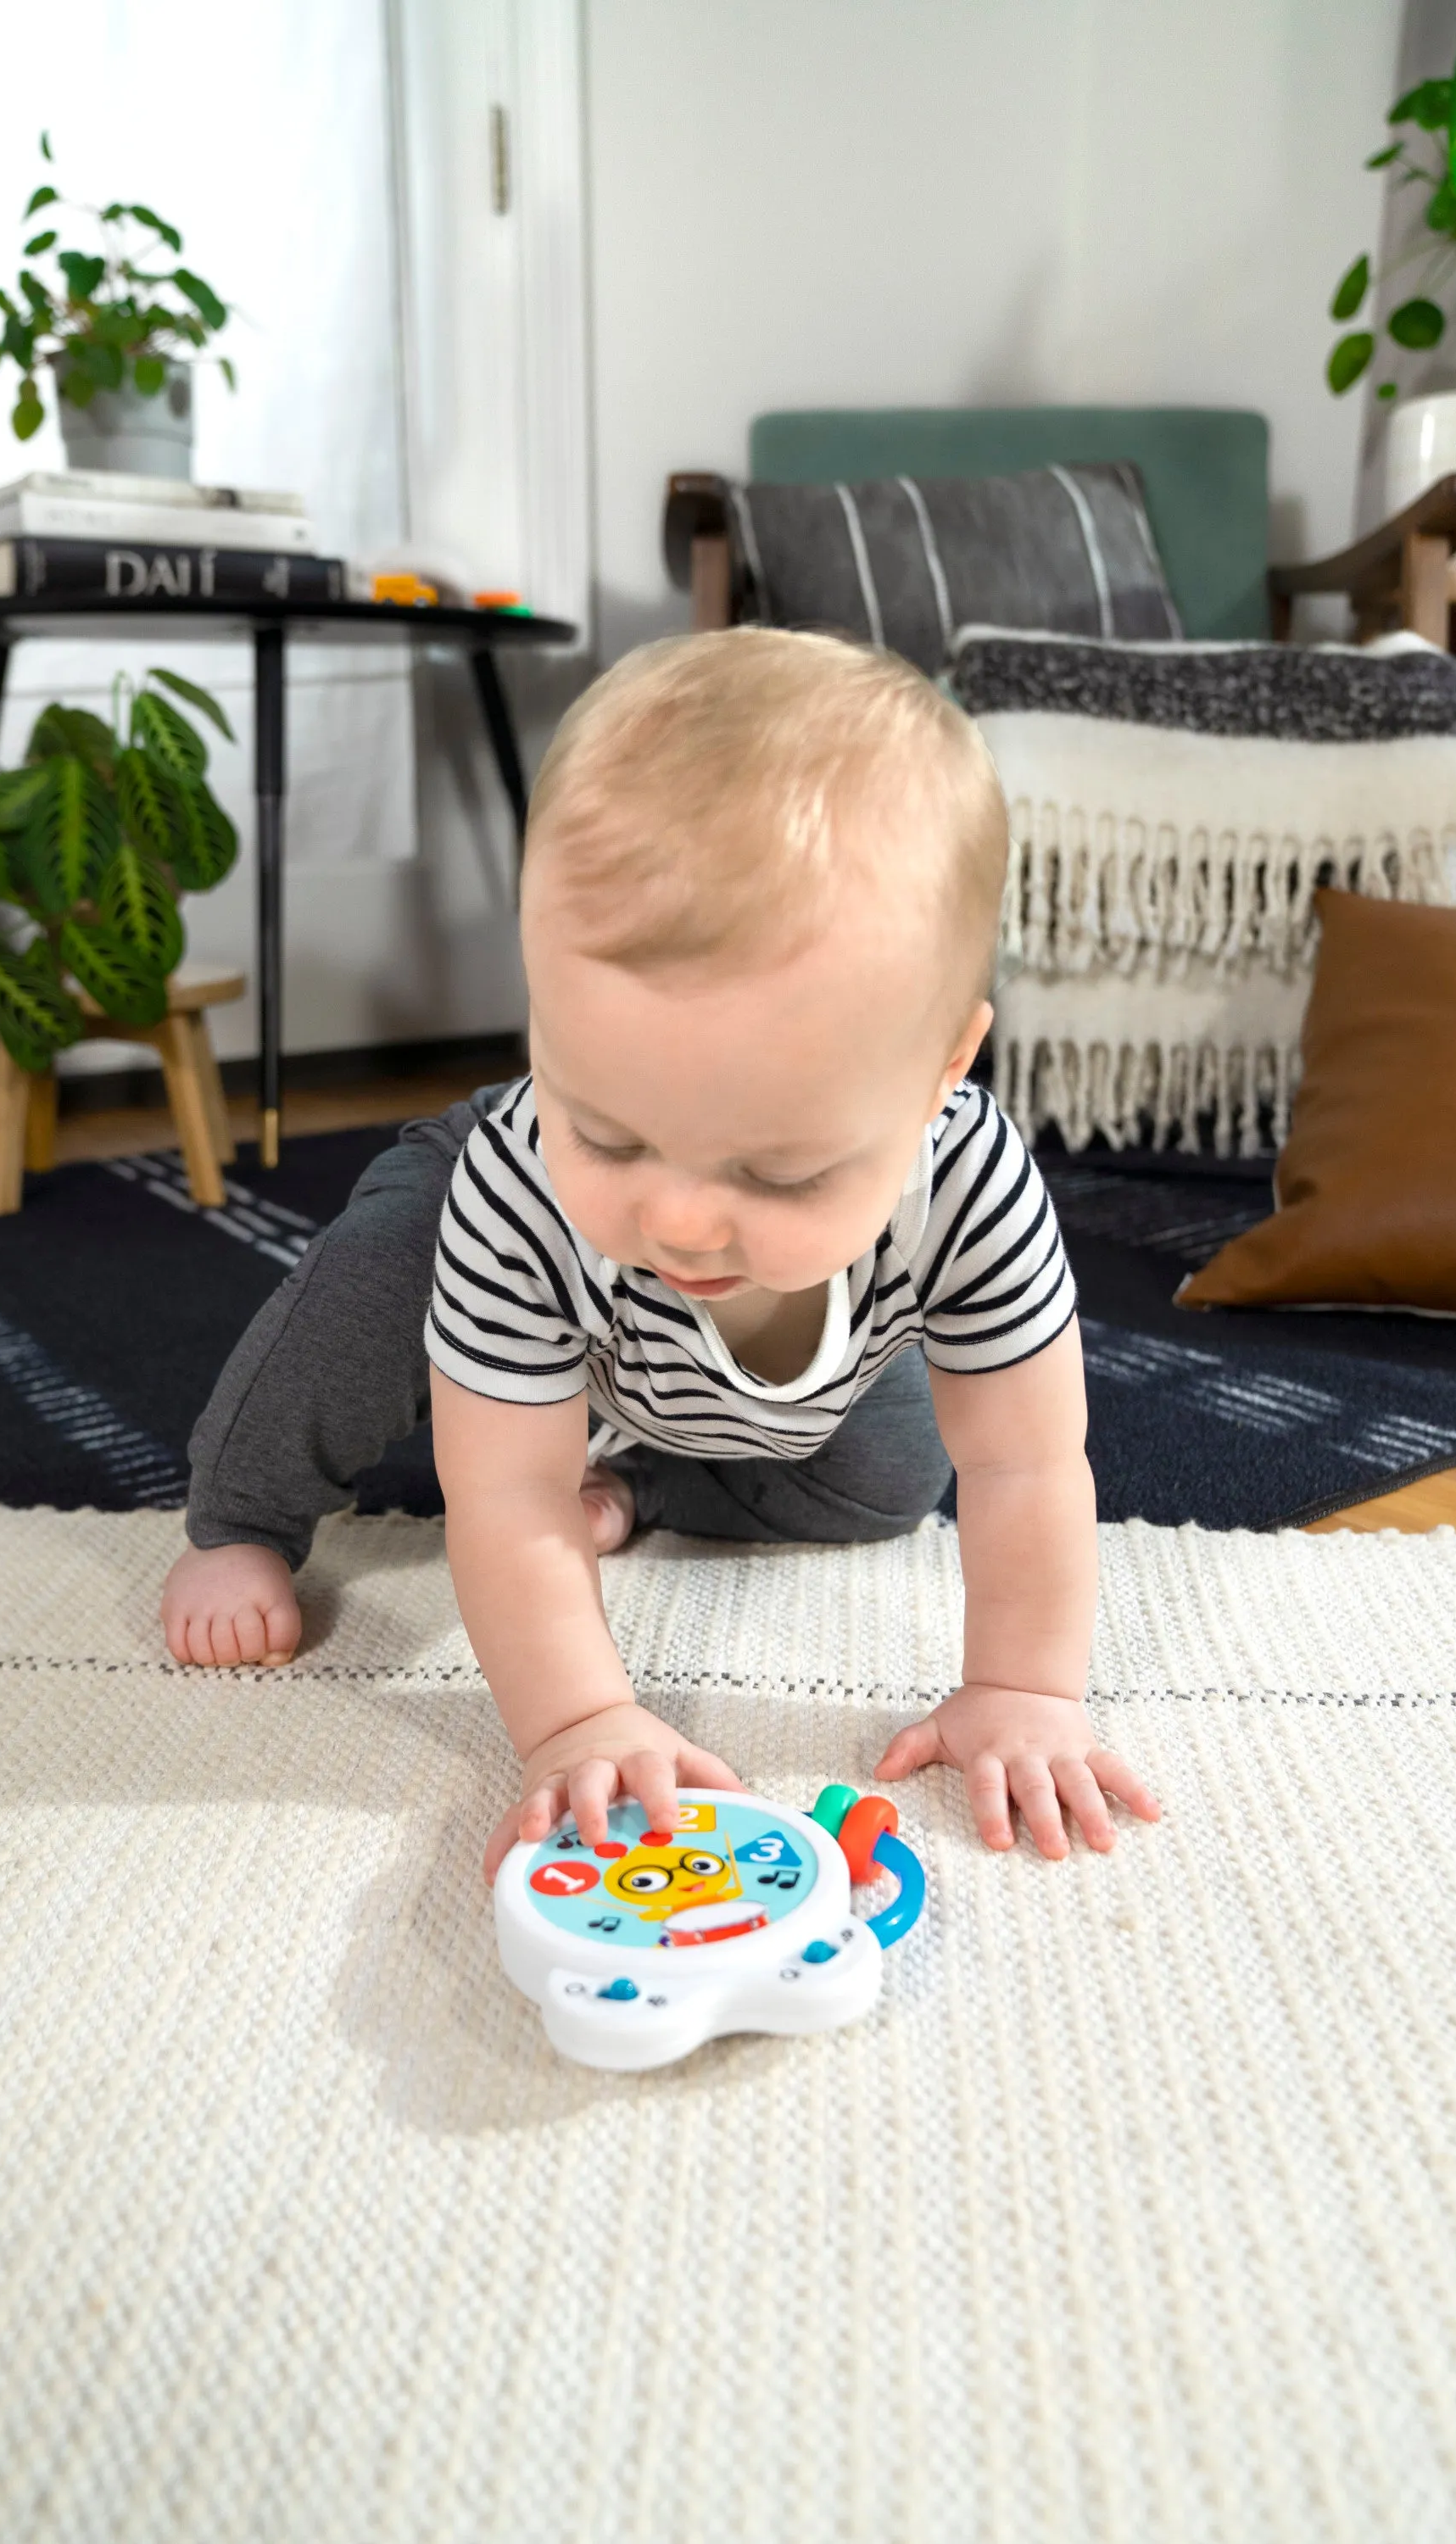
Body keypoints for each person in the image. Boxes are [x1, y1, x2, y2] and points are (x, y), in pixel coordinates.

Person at [159, 627, 1157, 1871]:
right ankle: (244, 1508)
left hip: (773, 1383)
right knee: (370, 1283)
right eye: (612, 1131)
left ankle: (638, 1480)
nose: (679, 1219)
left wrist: (1026, 1688)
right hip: (518, 1274)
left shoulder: (972, 1179)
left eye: (777, 1169)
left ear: (943, 1070)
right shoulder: (521, 1182)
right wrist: (579, 1718)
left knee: (894, 1479)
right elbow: (507, 1500)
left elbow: (1023, 1463)